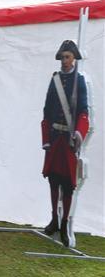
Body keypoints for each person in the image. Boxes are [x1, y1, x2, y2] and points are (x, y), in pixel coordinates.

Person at [41, 40, 89, 248]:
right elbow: (47, 109)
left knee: (68, 185)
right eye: (62, 57)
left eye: (67, 57)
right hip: (55, 138)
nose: (64, 60)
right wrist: (45, 138)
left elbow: (83, 112)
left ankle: (64, 223)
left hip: (69, 141)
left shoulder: (80, 81)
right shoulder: (55, 80)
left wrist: (78, 133)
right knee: (53, 180)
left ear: (74, 59)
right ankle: (53, 219)